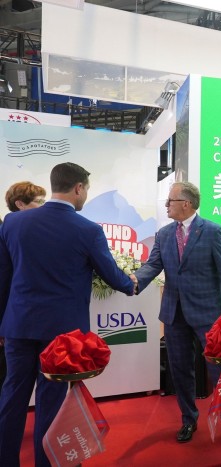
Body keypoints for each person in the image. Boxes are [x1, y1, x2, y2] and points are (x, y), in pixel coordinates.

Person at [0, 162, 135, 467]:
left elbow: (3, 278)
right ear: (78, 188)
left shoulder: (12, 223)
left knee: (11, 397)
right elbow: (113, 276)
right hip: (63, 335)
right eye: (86, 189)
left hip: (18, 326)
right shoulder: (88, 229)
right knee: (52, 402)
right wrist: (131, 284)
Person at [134, 181, 221, 444]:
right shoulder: (163, 234)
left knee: (219, 371)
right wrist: (134, 281)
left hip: (209, 314)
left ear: (186, 203)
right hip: (174, 314)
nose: (166, 206)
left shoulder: (212, 231)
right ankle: (188, 419)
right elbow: (152, 266)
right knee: (180, 370)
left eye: (170, 201)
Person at [1, 181, 47, 394]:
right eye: (38, 202)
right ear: (20, 204)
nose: (43, 206)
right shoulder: (6, 232)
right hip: (15, 321)